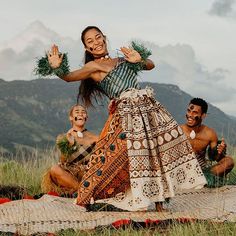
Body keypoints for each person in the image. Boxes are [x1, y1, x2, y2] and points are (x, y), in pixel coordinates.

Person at [45, 26, 207, 211]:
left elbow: (150, 65)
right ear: (87, 49)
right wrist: (57, 67)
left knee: (156, 154)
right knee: (123, 156)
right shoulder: (93, 67)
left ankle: (160, 203)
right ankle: (101, 195)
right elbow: (68, 77)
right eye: (90, 41)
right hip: (126, 115)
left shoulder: (123, 59)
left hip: (149, 110)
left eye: (98, 37)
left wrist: (139, 60)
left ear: (104, 38)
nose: (96, 42)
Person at [41, 104, 98, 194]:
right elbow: (63, 160)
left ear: (86, 117)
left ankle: (83, 192)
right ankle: (82, 191)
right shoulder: (63, 138)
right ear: (71, 118)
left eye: (83, 112)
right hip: (69, 177)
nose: (80, 114)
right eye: (77, 112)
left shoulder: (95, 138)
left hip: (88, 175)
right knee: (54, 169)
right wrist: (70, 145)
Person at [180, 98, 235, 187]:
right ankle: (198, 183)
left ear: (203, 115)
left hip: (202, 173)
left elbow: (216, 158)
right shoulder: (178, 130)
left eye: (195, 112)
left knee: (229, 161)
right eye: (189, 111)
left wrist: (219, 151)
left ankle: (202, 181)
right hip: (181, 172)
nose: (190, 115)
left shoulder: (210, 133)